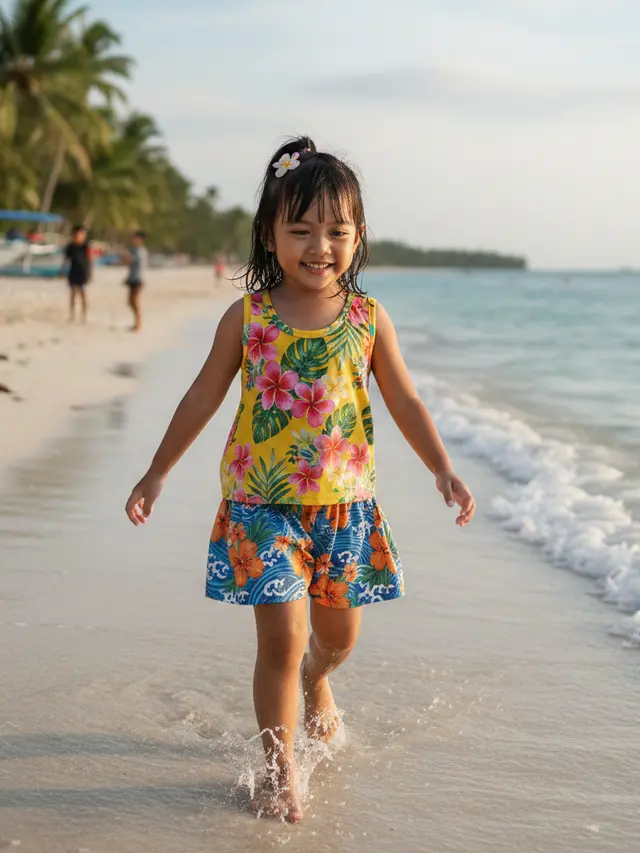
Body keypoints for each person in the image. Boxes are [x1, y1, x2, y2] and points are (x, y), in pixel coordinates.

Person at [125, 137, 476, 823]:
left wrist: (443, 467)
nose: (320, 245)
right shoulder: (248, 317)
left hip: (345, 509)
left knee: (337, 638)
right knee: (280, 639)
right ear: (269, 234)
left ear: (359, 236)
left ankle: (319, 680)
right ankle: (279, 769)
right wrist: (156, 471)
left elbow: (404, 400)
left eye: (336, 231)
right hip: (261, 505)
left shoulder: (369, 320)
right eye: (301, 229)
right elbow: (202, 396)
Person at [61, 225, 92, 323]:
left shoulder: (86, 245)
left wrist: (90, 273)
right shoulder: (71, 246)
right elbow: (65, 259)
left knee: (82, 293)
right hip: (73, 271)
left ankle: (84, 315)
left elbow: (90, 259)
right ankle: (72, 314)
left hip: (83, 271)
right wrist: (61, 271)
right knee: (73, 293)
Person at [125, 230, 148, 332]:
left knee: (134, 301)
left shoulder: (140, 251)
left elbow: (132, 262)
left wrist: (126, 258)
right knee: (131, 301)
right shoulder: (135, 250)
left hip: (138, 279)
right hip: (133, 278)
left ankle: (138, 323)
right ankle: (136, 323)